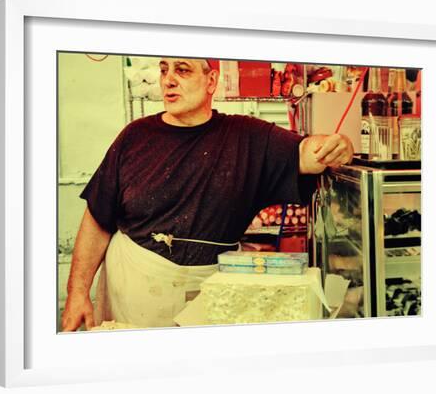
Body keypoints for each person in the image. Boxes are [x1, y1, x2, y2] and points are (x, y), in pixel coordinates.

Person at [61, 57, 354, 331]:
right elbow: (97, 219)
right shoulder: (134, 136)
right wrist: (77, 292)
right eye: (164, 70)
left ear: (211, 81)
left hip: (212, 290)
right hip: (134, 287)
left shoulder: (248, 136)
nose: (168, 80)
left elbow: (306, 152)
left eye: (183, 70)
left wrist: (338, 144)